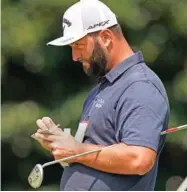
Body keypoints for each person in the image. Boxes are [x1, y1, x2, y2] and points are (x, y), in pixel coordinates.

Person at [33, 0, 170, 190]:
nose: (74, 56)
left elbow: (140, 158)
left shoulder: (140, 86)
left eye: (78, 45)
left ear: (106, 37)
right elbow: (89, 156)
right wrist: (62, 145)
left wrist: (76, 150)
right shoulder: (102, 89)